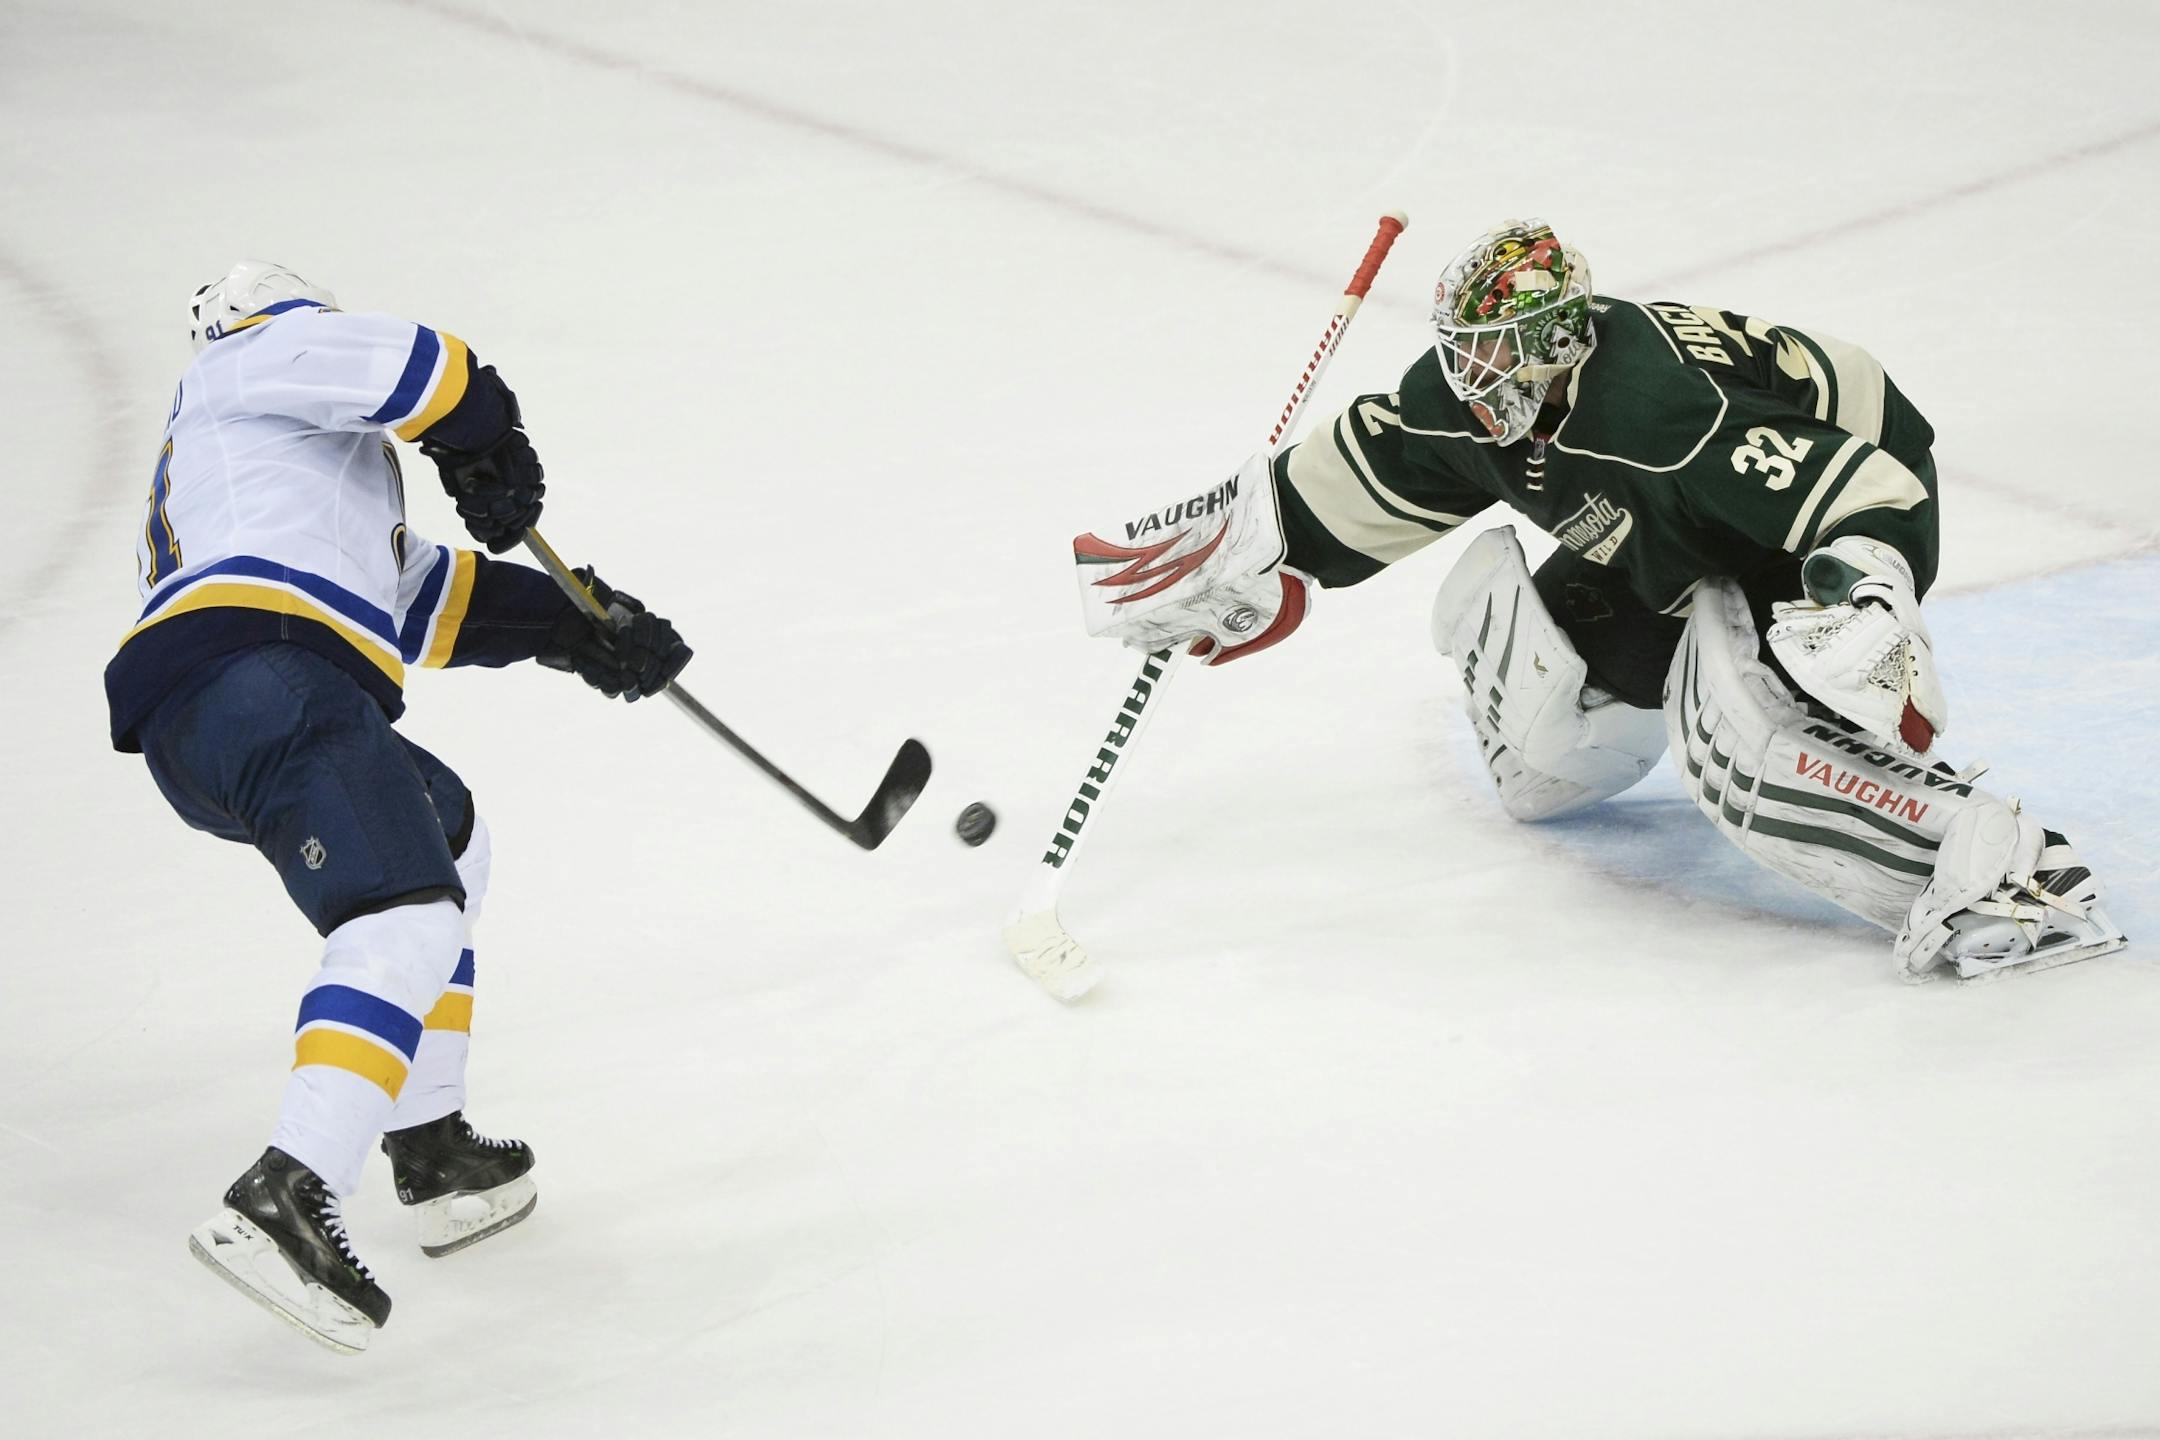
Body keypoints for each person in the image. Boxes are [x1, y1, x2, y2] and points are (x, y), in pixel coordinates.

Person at [1078, 218, 2125, 983]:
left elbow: (1868, 487)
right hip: (1670, 524)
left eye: (1500, 350)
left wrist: (1864, 590)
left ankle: (2009, 872)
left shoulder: (1662, 414)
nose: (1473, 372)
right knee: (1542, 753)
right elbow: (1365, 471)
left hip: (1792, 522)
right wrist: (1253, 553)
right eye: (1463, 346)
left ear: (1562, 339)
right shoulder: (1470, 399)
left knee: (1740, 750)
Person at [106, 260, 693, 1353]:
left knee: (445, 836)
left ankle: (430, 1147)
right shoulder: (254, 357)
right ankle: (284, 1196)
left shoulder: (288, 468)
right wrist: (487, 435)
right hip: (260, 675)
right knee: (404, 913)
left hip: (235, 700)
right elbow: (421, 367)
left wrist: (577, 623)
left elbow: (420, 600)